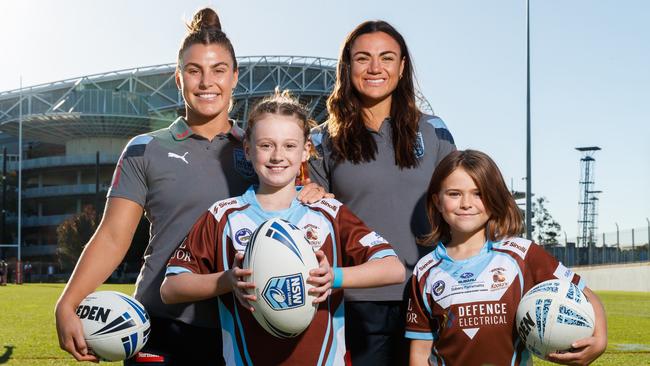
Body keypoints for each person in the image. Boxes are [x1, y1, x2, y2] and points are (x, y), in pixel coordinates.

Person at [54, 8, 327, 365]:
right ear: (178, 78)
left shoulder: (263, 151)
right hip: (162, 326)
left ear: (235, 78)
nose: (206, 82)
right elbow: (112, 236)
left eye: (218, 70)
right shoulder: (145, 148)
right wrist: (68, 303)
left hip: (245, 326)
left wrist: (315, 194)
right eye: (194, 70)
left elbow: (301, 216)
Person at [160, 91, 406, 365]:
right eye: (266, 145)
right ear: (248, 149)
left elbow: (393, 268)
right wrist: (227, 281)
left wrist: (333, 277)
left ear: (306, 151)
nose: (278, 156)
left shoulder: (328, 211)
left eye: (289, 146)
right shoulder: (223, 215)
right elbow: (171, 288)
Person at [308, 20, 456, 365]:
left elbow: (461, 207)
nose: (375, 68)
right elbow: (314, 225)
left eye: (386, 58)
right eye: (363, 58)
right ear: (347, 67)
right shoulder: (321, 139)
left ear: (402, 67)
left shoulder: (434, 130)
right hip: (355, 304)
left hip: (429, 295)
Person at [405, 150, 607, 366]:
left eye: (478, 193)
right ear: (437, 201)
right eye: (454, 194)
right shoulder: (426, 270)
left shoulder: (522, 254)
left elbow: (585, 293)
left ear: (494, 199)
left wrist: (600, 340)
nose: (466, 203)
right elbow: (420, 352)